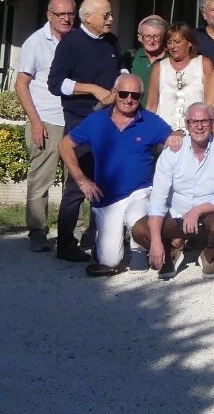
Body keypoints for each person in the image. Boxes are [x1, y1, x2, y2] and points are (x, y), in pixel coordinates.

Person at [58, 75, 169, 277]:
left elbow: (172, 139)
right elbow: (65, 145)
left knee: (136, 215)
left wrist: (177, 136)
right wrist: (82, 181)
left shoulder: (151, 122)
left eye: (135, 95)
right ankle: (108, 251)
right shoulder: (96, 121)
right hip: (107, 197)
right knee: (109, 260)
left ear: (141, 97)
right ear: (115, 93)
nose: (129, 100)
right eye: (124, 94)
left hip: (140, 191)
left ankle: (138, 253)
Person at [47, 0, 126, 262]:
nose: (111, 19)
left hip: (110, 122)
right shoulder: (71, 44)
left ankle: (97, 237)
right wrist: (91, 88)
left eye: (111, 14)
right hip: (82, 122)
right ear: (87, 17)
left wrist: (122, 82)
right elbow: (55, 83)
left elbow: (121, 66)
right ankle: (65, 244)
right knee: (78, 183)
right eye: (106, 15)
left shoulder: (112, 40)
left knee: (105, 179)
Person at [132, 102, 214, 280]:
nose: (199, 126)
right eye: (194, 122)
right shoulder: (173, 151)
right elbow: (158, 200)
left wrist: (197, 210)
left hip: (208, 215)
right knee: (140, 230)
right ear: (187, 125)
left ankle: (208, 256)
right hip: (176, 214)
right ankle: (168, 253)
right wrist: (155, 242)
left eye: (204, 121)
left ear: (212, 123)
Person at [15, 0, 74, 253]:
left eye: (70, 14)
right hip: (46, 119)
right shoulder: (35, 43)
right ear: (49, 15)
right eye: (60, 14)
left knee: (75, 179)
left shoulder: (76, 40)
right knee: (41, 179)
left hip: (73, 119)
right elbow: (21, 84)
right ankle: (38, 230)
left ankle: (71, 229)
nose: (66, 18)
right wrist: (35, 122)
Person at [146, 22, 212, 134]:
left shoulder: (203, 64)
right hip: (164, 134)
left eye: (177, 42)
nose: (172, 46)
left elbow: (209, 102)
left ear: (190, 43)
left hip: (196, 133)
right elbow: (151, 105)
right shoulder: (159, 67)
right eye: (169, 42)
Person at [123, 15, 169, 89]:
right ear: (140, 37)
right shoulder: (130, 57)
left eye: (156, 36)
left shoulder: (172, 59)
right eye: (147, 36)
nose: (152, 41)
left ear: (164, 37)